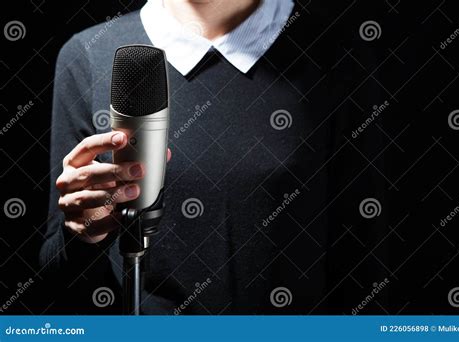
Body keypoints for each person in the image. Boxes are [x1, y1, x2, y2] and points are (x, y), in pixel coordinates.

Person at [40, 0, 385, 314]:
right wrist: (83, 233)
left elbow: (364, 257)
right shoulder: (90, 55)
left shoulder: (337, 53)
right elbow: (57, 277)